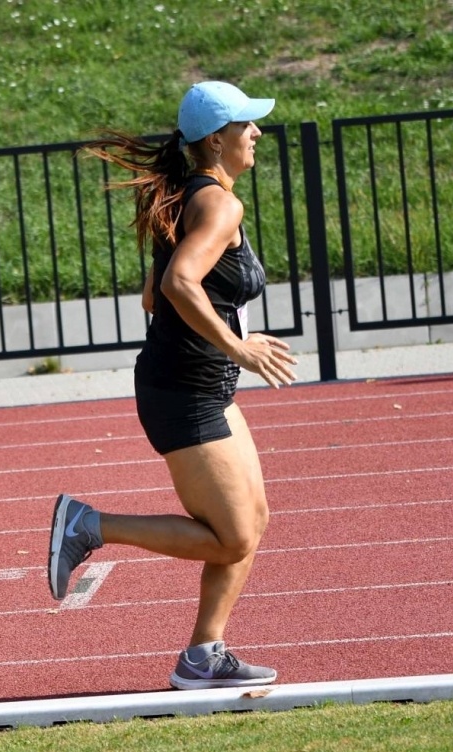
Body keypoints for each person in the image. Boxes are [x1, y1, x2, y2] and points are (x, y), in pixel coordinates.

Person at [48, 81, 298, 690]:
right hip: (183, 391)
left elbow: (152, 294)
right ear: (217, 139)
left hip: (200, 385)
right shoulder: (219, 205)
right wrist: (236, 345)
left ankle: (202, 656)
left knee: (252, 522)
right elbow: (179, 285)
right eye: (247, 125)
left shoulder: (192, 196)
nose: (257, 133)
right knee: (232, 535)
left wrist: (216, 345)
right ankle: (89, 524)